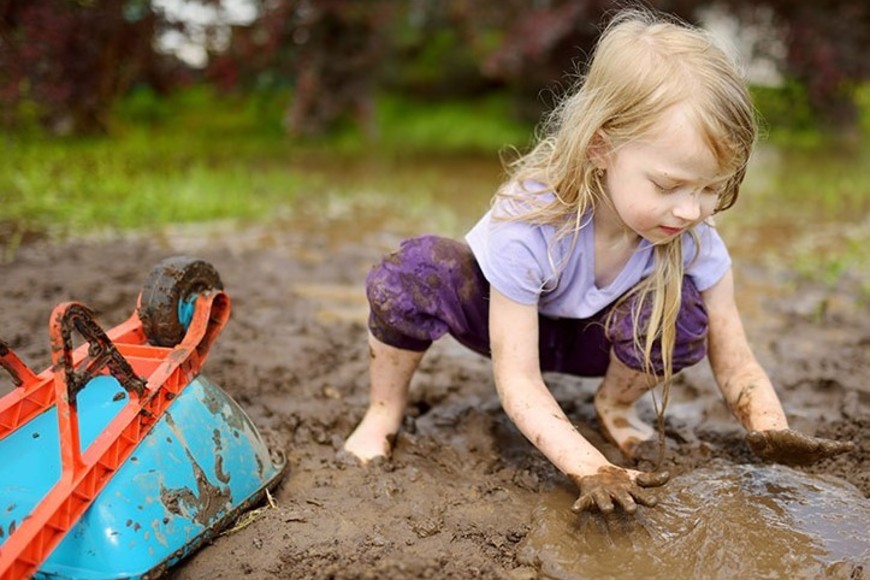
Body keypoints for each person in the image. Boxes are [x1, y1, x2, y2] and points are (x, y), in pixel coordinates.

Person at [342, 7, 854, 515]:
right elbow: (517, 380)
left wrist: (769, 428)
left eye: (711, 189)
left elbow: (735, 354)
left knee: (686, 310)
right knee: (413, 269)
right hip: (506, 329)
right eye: (668, 185)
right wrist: (590, 467)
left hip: (598, 344)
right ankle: (383, 411)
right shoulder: (530, 221)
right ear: (601, 147)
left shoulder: (693, 233)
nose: (690, 209)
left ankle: (614, 404)